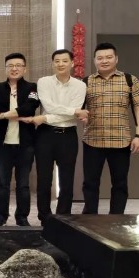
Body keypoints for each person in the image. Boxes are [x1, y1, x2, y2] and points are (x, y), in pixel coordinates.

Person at [82, 42, 139, 215]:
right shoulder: (86, 82)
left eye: (109, 57)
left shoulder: (129, 79)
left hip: (121, 141)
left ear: (116, 59)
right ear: (95, 60)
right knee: (90, 183)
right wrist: (82, 115)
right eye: (100, 58)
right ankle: (90, 219)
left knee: (120, 184)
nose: (104, 61)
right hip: (92, 141)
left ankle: (116, 219)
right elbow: (78, 109)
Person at [27, 49, 87, 225]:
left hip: (68, 136)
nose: (61, 64)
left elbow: (69, 114)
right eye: (57, 61)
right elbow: (49, 106)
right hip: (45, 135)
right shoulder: (44, 82)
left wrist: (45, 118)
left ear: (72, 63)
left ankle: (63, 218)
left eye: (64, 61)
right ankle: (44, 218)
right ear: (53, 63)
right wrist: (73, 111)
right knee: (44, 180)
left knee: (66, 181)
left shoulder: (80, 86)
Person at [0, 53, 40, 226]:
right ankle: (1, 216)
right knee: (2, 183)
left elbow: (30, 108)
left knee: (23, 184)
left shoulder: (33, 87)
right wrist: (8, 115)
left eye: (18, 65)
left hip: (25, 144)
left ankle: (22, 217)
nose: (14, 68)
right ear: (5, 68)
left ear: (24, 69)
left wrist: (5, 115)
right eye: (10, 65)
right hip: (2, 144)